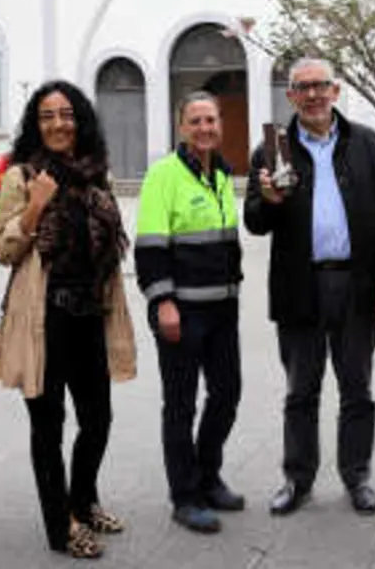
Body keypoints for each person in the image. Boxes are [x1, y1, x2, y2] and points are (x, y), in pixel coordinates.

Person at [244, 57, 375, 517]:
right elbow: (254, 222)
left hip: (356, 285)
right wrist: (269, 201)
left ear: (336, 90)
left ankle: (357, 476)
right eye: (302, 87)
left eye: (320, 85)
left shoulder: (366, 142)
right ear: (290, 95)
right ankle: (297, 480)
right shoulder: (272, 149)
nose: (312, 95)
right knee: (300, 392)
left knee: (357, 389)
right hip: (299, 287)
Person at [0, 81, 136, 559]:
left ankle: (83, 501)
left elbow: (110, 245)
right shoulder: (22, 175)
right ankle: (62, 524)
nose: (58, 124)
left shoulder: (97, 176)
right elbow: (4, 250)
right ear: (36, 124)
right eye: (47, 115)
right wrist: (35, 205)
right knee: (48, 427)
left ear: (81, 121)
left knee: (98, 419)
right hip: (44, 320)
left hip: (91, 315)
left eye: (67, 114)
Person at [135, 91, 245, 534]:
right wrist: (163, 302)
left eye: (210, 120)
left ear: (220, 125)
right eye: (195, 121)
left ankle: (207, 475)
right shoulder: (163, 174)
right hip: (180, 311)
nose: (204, 128)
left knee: (227, 394)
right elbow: (150, 245)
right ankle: (184, 496)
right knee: (180, 405)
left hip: (223, 309)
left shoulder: (220, 174)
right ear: (181, 127)